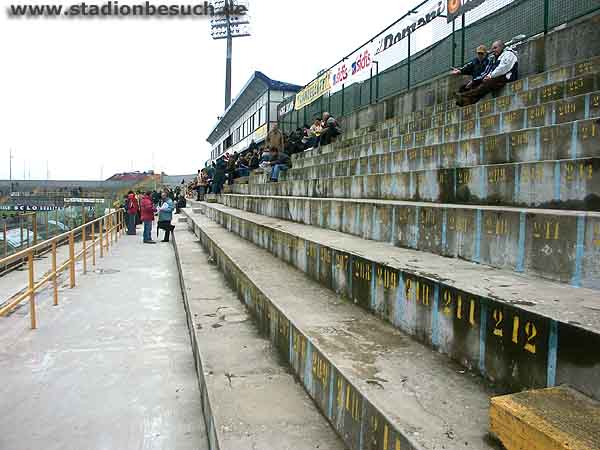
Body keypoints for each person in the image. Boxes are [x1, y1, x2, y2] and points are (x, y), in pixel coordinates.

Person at [456, 40, 518, 107]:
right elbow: (489, 70)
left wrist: (490, 76)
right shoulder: (494, 58)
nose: (493, 50)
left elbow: (503, 68)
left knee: (486, 84)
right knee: (482, 86)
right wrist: (488, 76)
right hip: (497, 77)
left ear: (501, 47)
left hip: (508, 77)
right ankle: (465, 102)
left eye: (495, 48)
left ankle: (464, 95)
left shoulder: (508, 54)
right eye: (492, 48)